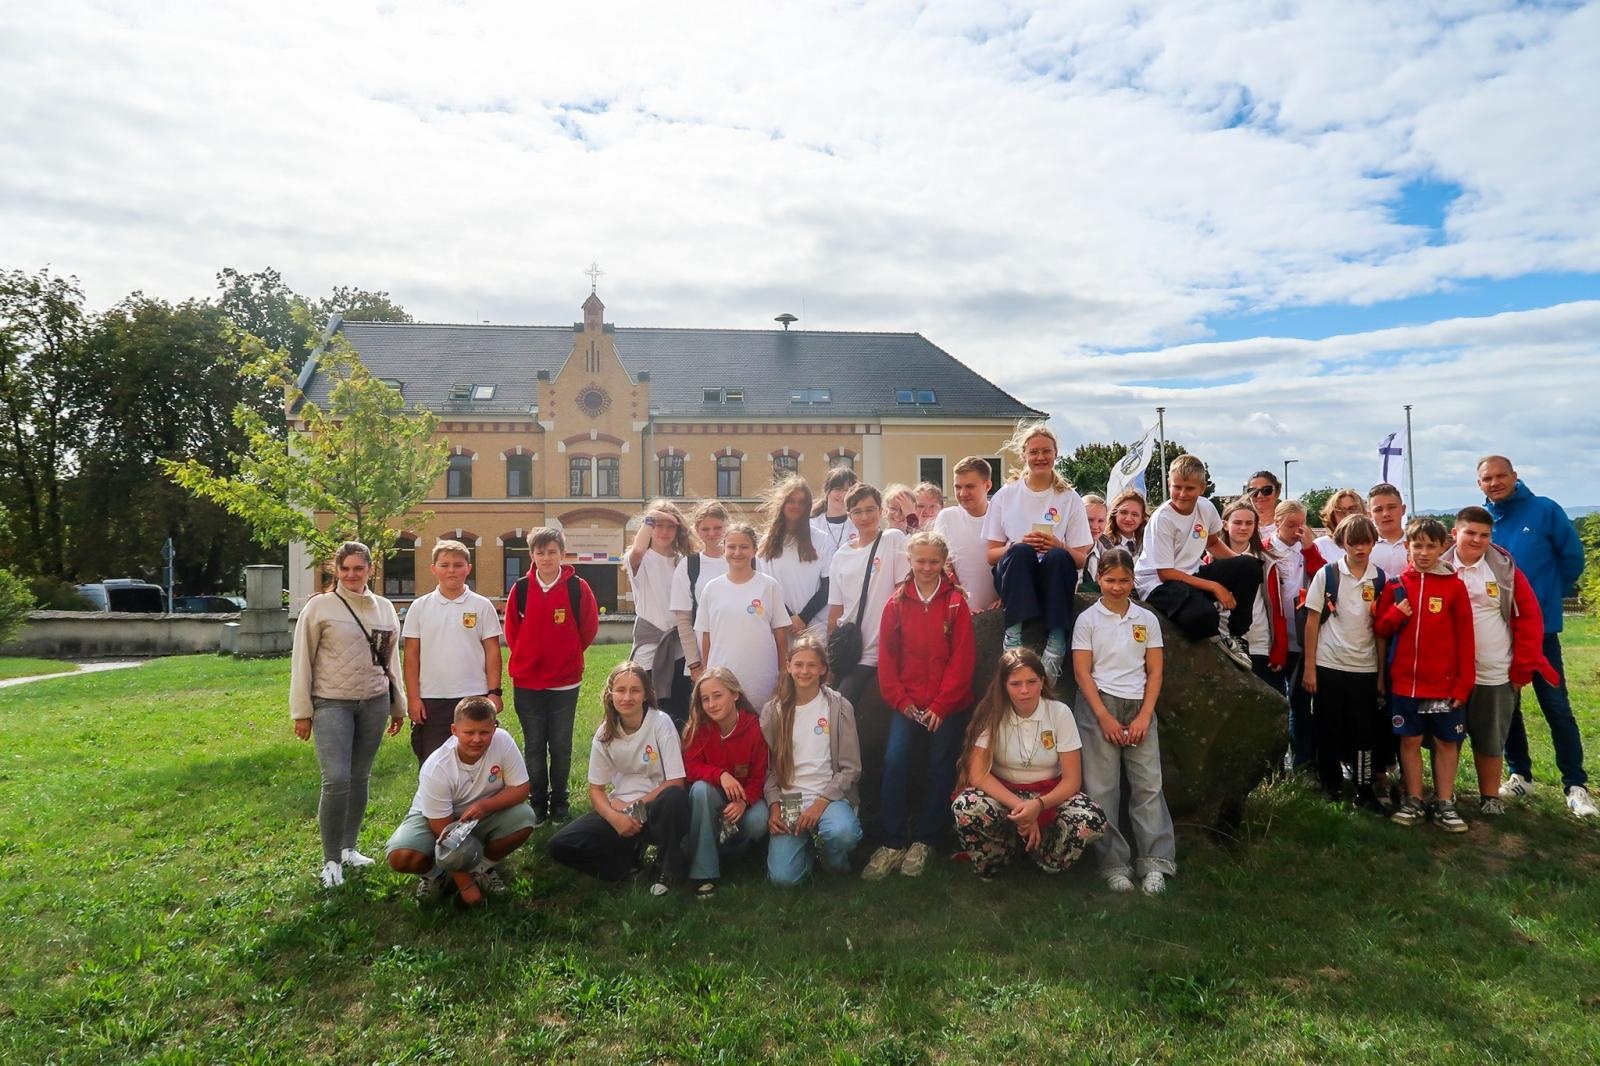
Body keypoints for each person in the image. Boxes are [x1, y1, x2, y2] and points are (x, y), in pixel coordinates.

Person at [1478, 455, 1595, 817]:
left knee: (1555, 705)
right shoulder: (1483, 522)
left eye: (1501, 476)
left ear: (1515, 476)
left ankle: (1575, 784)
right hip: (1499, 633)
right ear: (1479, 484)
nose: (1494, 483)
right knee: (1507, 707)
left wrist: (1545, 598)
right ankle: (1520, 774)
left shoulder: (1544, 510)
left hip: (1540, 632)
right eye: (1487, 479)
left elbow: (1572, 559)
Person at [289, 541, 406, 888]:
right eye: (345, 569)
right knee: (336, 779)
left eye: (359, 568)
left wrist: (397, 705)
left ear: (371, 569)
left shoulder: (385, 608)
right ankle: (330, 861)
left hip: (374, 702)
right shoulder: (320, 608)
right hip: (332, 703)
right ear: (335, 571)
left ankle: (349, 848)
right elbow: (302, 661)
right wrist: (302, 712)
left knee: (359, 777)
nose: (352, 574)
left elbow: (389, 662)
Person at [862, 531, 976, 880]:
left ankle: (926, 838)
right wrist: (901, 701)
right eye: (920, 561)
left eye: (933, 561)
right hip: (908, 705)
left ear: (943, 563)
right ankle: (893, 840)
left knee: (942, 765)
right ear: (909, 562)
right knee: (895, 762)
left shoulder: (956, 602)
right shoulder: (895, 603)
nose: (926, 567)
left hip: (947, 706)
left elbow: (963, 660)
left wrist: (942, 705)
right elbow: (887, 659)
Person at [950, 648, 1107, 880]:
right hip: (1005, 793)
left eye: (1031, 682)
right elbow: (978, 774)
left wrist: (1038, 805)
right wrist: (1022, 809)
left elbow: (1072, 779)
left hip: (1049, 792)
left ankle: (1047, 860)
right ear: (1004, 685)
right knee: (967, 806)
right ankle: (996, 858)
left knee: (1091, 817)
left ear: (1042, 681)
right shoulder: (992, 714)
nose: (1025, 690)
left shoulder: (1059, 713)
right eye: (1015, 684)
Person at [1443, 505, 1559, 816]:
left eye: (1485, 535)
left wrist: (1522, 668)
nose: (1477, 540)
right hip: (1447, 674)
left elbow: (1530, 620)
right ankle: (1445, 795)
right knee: (1447, 739)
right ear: (1455, 534)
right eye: (1470, 533)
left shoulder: (1504, 569)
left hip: (1494, 670)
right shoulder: (1437, 567)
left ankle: (1490, 797)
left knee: (1490, 739)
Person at [1071, 548, 1173, 895]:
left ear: (1133, 580)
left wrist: (1145, 714)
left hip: (1139, 705)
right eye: (1110, 580)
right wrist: (1104, 717)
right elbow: (1082, 672)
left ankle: (1155, 863)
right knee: (1102, 789)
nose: (1117, 587)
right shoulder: (1088, 620)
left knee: (1148, 786)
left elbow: (1155, 669)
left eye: (1125, 580)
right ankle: (1113, 864)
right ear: (1098, 578)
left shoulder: (1146, 619)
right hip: (1098, 705)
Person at [548, 662, 691, 895]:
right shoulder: (605, 733)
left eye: (635, 690)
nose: (627, 697)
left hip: (656, 807)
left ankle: (667, 865)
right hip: (621, 810)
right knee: (560, 845)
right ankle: (624, 866)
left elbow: (676, 781)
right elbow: (596, 790)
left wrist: (634, 807)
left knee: (675, 798)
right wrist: (614, 817)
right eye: (621, 690)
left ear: (646, 695)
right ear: (610, 693)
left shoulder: (660, 723)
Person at [384, 696, 537, 905]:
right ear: (454, 730)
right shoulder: (437, 766)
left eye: (484, 732)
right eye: (469, 732)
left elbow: (521, 788)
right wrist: (465, 886)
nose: (477, 739)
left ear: (494, 728)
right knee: (401, 856)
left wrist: (484, 806)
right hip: (436, 819)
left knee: (525, 818)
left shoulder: (503, 741)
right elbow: (442, 829)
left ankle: (480, 868)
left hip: (481, 813)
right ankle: (437, 875)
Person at [1373, 518, 1475, 832]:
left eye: (1432, 545)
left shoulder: (1455, 586)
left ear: (1444, 547)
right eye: (1418, 545)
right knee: (1410, 740)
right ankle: (1414, 799)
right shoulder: (1395, 585)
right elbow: (1380, 629)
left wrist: (1464, 682)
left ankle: (1444, 802)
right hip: (1405, 683)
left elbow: (1466, 639)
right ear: (1407, 547)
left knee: (1446, 742)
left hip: (1443, 684)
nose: (1424, 552)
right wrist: (1394, 614)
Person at [982, 421, 1093, 681]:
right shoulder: (1005, 495)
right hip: (1017, 575)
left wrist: (1059, 545)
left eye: (1046, 451)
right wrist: (1015, 545)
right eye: (1034, 452)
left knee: (1056, 556)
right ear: (1024, 456)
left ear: (1056, 454)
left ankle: (1055, 643)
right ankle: (1013, 636)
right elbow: (990, 554)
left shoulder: (1069, 498)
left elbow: (1080, 559)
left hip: (1053, 578)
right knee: (1021, 553)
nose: (1040, 457)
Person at [504, 527, 600, 825]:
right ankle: (537, 804)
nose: (546, 558)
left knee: (560, 745)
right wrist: (530, 658)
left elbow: (588, 627)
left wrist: (568, 654)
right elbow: (511, 632)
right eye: (540, 552)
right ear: (532, 555)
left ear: (563, 553)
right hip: (528, 681)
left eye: (552, 552)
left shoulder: (577, 587)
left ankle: (559, 802)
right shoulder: (520, 589)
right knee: (534, 746)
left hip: (564, 681)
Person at [1133, 455, 1259, 669]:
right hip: (1158, 584)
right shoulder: (1163, 518)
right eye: (1177, 487)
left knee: (1250, 565)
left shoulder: (1206, 508)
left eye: (1189, 488)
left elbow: (1212, 542)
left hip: (1191, 575)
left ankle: (1237, 636)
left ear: (1202, 488)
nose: (1182, 494)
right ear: (1168, 484)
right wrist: (1215, 586)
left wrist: (1240, 568)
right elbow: (1166, 573)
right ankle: (1212, 633)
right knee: (1203, 618)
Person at [826, 483, 911, 793]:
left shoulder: (892, 540)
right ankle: (846, 787)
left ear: (880, 511)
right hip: (854, 652)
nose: (864, 517)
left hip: (885, 648)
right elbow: (836, 609)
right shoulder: (841, 555)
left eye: (870, 509)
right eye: (858, 511)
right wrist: (831, 653)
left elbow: (904, 590)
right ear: (849, 515)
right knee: (840, 712)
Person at [760, 638, 864, 885]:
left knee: (843, 833)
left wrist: (820, 804)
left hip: (828, 796)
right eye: (798, 664)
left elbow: (851, 767)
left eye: (811, 665)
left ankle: (832, 859)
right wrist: (774, 806)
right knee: (783, 880)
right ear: (788, 666)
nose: (804, 671)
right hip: (790, 799)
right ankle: (806, 849)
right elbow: (767, 769)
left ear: (823, 669)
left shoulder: (838, 707)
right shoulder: (773, 711)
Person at [1300, 515, 1386, 806]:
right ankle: (1331, 785)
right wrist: (1309, 668)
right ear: (1342, 543)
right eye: (1353, 543)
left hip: (1365, 665)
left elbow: (1382, 631)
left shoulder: (1380, 578)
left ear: (1374, 542)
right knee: (1328, 726)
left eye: (1366, 542)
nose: (1360, 548)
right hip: (1329, 663)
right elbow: (1312, 622)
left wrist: (1381, 674)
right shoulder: (1328, 574)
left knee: (1364, 731)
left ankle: (1364, 787)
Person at [399, 539, 503, 766]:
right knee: (434, 762)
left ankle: (477, 802)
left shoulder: (482, 605)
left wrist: (494, 692)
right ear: (433, 568)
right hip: (431, 699)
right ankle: (435, 802)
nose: (451, 570)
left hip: (475, 695)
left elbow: (493, 652)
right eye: (444, 565)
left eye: (458, 564)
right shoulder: (420, 607)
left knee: (478, 761)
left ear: (468, 568)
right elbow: (411, 657)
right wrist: (414, 698)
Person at [679, 669, 770, 897]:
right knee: (700, 789)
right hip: (711, 798)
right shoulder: (697, 728)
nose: (711, 704)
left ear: (735, 695)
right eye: (705, 699)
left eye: (718, 695)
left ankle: (733, 848)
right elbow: (690, 768)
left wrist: (744, 802)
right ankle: (703, 873)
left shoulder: (754, 728)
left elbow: (759, 777)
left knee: (759, 820)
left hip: (744, 798)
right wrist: (720, 775)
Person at [695, 523, 791, 710]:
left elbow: (781, 634)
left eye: (744, 547)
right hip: (723, 677)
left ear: (754, 550)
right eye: (731, 547)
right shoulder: (711, 589)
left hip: (761, 676)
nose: (737, 552)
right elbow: (706, 636)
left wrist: (783, 673)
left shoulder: (768, 586)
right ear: (724, 550)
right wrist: (707, 673)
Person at [1265, 499, 1328, 769]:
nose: (1296, 530)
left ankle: (1303, 761)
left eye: (1301, 524)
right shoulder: (1265, 550)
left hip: (1303, 638)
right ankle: (1275, 764)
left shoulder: (1306, 550)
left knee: (1301, 703)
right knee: (1277, 703)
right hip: (1273, 638)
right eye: (1291, 525)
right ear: (1277, 522)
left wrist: (1309, 548)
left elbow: (1324, 578)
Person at [627, 500, 691, 724]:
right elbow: (637, 549)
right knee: (649, 712)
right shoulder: (640, 560)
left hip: (680, 648)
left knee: (680, 713)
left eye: (670, 526)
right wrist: (651, 516)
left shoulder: (683, 562)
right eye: (658, 525)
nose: (664, 531)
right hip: (651, 650)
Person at [1220, 501, 1289, 690]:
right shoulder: (1209, 560)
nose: (1243, 527)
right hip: (1223, 644)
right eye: (1237, 522)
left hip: (1259, 644)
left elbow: (1277, 608)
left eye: (1249, 523)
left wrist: (1279, 648)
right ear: (1225, 524)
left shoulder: (1267, 562)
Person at [669, 499, 730, 713]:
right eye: (706, 529)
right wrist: (695, 664)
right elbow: (684, 620)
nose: (712, 533)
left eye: (717, 528)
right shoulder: (689, 565)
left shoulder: (745, 558)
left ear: (727, 525)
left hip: (740, 654)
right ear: (697, 531)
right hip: (704, 659)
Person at [757, 477, 830, 641]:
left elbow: (828, 586)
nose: (796, 506)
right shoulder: (765, 543)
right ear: (782, 502)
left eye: (802, 502)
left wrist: (803, 618)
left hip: (815, 631)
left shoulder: (821, 539)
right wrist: (788, 618)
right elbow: (766, 588)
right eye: (791, 500)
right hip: (780, 630)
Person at [932, 456, 998, 612]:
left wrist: (1005, 598)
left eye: (970, 486)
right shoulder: (947, 517)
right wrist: (960, 601)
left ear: (987, 485)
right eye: (957, 487)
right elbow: (941, 566)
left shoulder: (1002, 517)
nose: (962, 493)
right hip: (959, 611)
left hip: (998, 614)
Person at [811, 466, 860, 568]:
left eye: (847, 490)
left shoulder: (858, 525)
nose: (842, 495)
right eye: (838, 489)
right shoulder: (812, 525)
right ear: (827, 491)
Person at [1366, 483, 1410, 576]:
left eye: (1391, 507)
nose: (1386, 514)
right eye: (1378, 510)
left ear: (1403, 509)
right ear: (1369, 515)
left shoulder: (1417, 545)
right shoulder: (1363, 548)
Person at [1313, 489, 1366, 565]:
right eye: (1340, 511)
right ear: (1332, 516)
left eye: (1352, 510)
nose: (1347, 515)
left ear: (1362, 512)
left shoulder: (1374, 544)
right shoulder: (1320, 545)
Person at [1079, 493, 1109, 591]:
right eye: (1089, 520)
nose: (1095, 526)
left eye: (1101, 521)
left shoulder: (1108, 552)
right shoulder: (1063, 548)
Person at [1243, 470, 1282, 540]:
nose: (1260, 495)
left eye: (1266, 490)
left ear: (1277, 492)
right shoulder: (1241, 525)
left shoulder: (1287, 524)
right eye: (1253, 491)